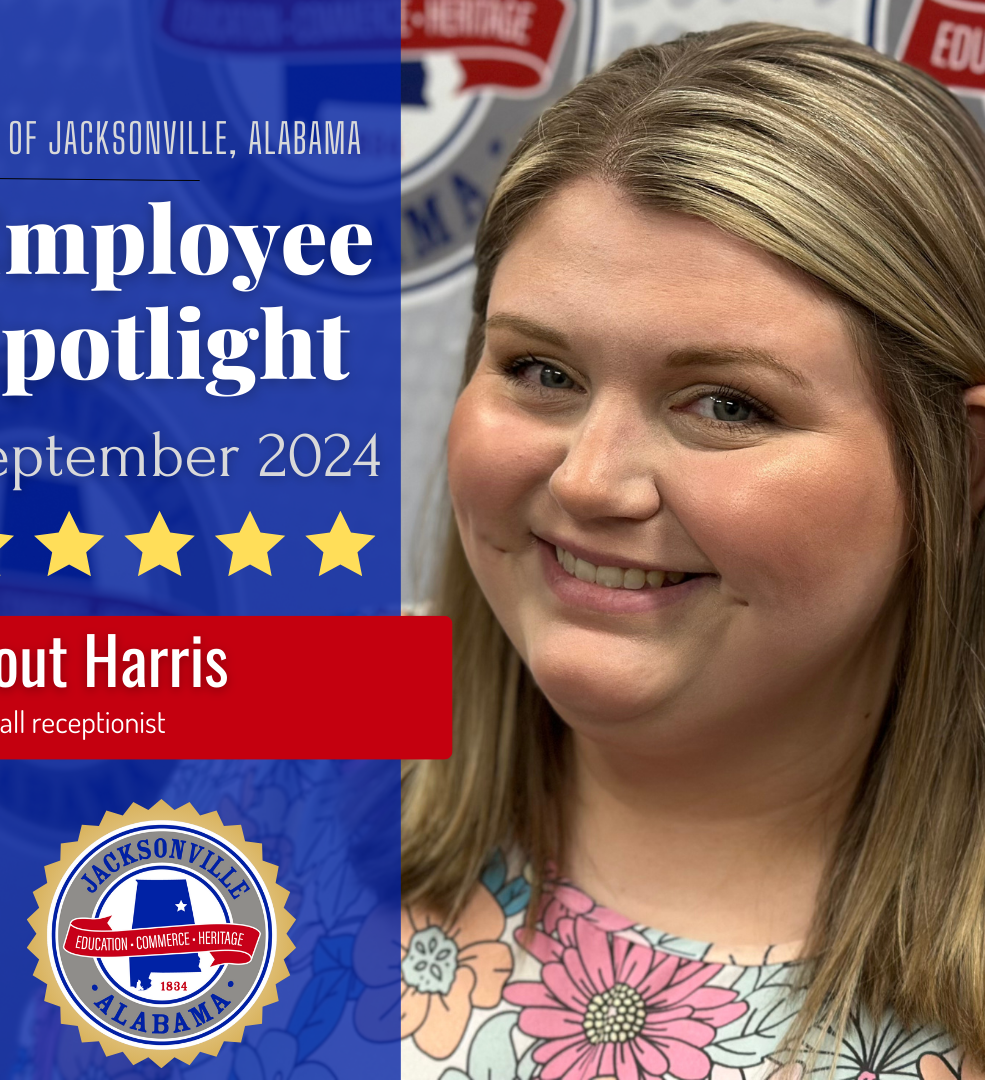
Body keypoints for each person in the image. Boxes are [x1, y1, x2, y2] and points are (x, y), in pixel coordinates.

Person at [401, 23, 985, 1080]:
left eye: (726, 404)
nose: (588, 480)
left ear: (968, 465)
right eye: (540, 372)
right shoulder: (267, 757)